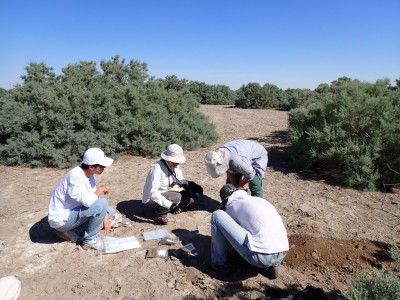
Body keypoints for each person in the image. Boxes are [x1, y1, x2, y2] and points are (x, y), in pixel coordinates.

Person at [210, 184, 289, 279]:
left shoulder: (231, 205)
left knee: (217, 216)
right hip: (282, 252)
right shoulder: (258, 200)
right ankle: (274, 264)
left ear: (225, 200)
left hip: (260, 258)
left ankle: (219, 263)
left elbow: (229, 232)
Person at [48, 147, 119, 251]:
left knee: (109, 211)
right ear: (91, 167)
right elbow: (89, 201)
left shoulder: (89, 175)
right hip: (62, 219)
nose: (104, 168)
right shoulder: (75, 176)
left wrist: (105, 216)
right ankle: (89, 240)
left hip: (75, 212)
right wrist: (100, 190)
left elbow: (93, 199)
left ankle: (74, 231)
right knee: (102, 204)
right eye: (102, 166)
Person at [142, 144, 203, 225]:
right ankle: (159, 215)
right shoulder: (157, 169)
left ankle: (168, 207)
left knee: (190, 200)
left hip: (168, 192)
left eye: (178, 162)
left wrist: (186, 184)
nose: (177, 164)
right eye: (174, 162)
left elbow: (179, 176)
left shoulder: (174, 165)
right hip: (152, 199)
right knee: (176, 197)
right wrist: (170, 205)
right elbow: (152, 193)